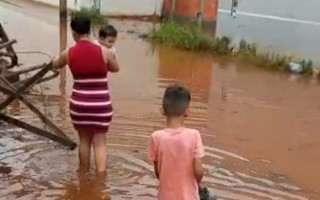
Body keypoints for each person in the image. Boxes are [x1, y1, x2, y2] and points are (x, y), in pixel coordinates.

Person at [53, 16, 119, 175]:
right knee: (100, 143)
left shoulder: (69, 53)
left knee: (84, 140)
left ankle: (83, 176)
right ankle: (100, 181)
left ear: (74, 33)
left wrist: (56, 59)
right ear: (90, 31)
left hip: (79, 105)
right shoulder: (104, 51)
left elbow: (55, 64)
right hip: (101, 106)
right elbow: (115, 68)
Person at [148, 84, 205, 200]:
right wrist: (199, 183)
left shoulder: (156, 137)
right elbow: (198, 171)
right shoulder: (194, 135)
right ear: (187, 111)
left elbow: (158, 171)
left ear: (162, 110)